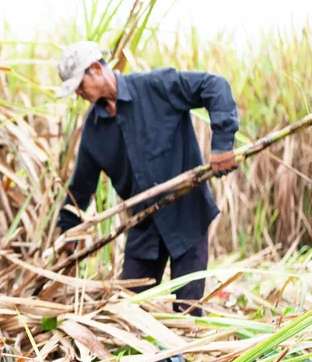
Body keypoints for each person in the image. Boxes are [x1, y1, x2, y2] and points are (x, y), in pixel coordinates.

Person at [54, 40, 240, 319]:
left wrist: (223, 143)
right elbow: (81, 186)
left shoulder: (156, 87)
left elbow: (214, 85)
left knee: (187, 313)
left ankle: (188, 357)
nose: (79, 93)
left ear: (95, 69)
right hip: (144, 226)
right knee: (130, 315)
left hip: (187, 216)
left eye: (80, 85)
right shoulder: (95, 131)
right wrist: (68, 232)